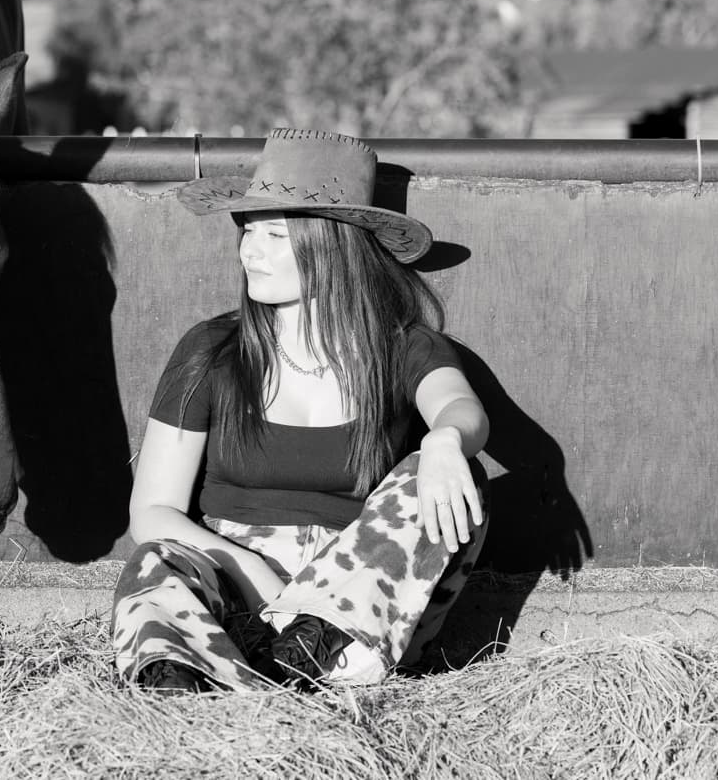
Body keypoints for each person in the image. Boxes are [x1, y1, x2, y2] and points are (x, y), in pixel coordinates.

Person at [111, 128, 490, 692]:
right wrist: (252, 571)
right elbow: (153, 510)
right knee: (154, 563)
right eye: (248, 231)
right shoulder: (212, 350)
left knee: (457, 476)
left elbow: (461, 407)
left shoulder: (403, 346)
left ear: (330, 244)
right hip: (231, 577)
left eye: (274, 234)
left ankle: (298, 660)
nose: (249, 252)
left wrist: (443, 442)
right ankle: (186, 690)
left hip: (362, 597)